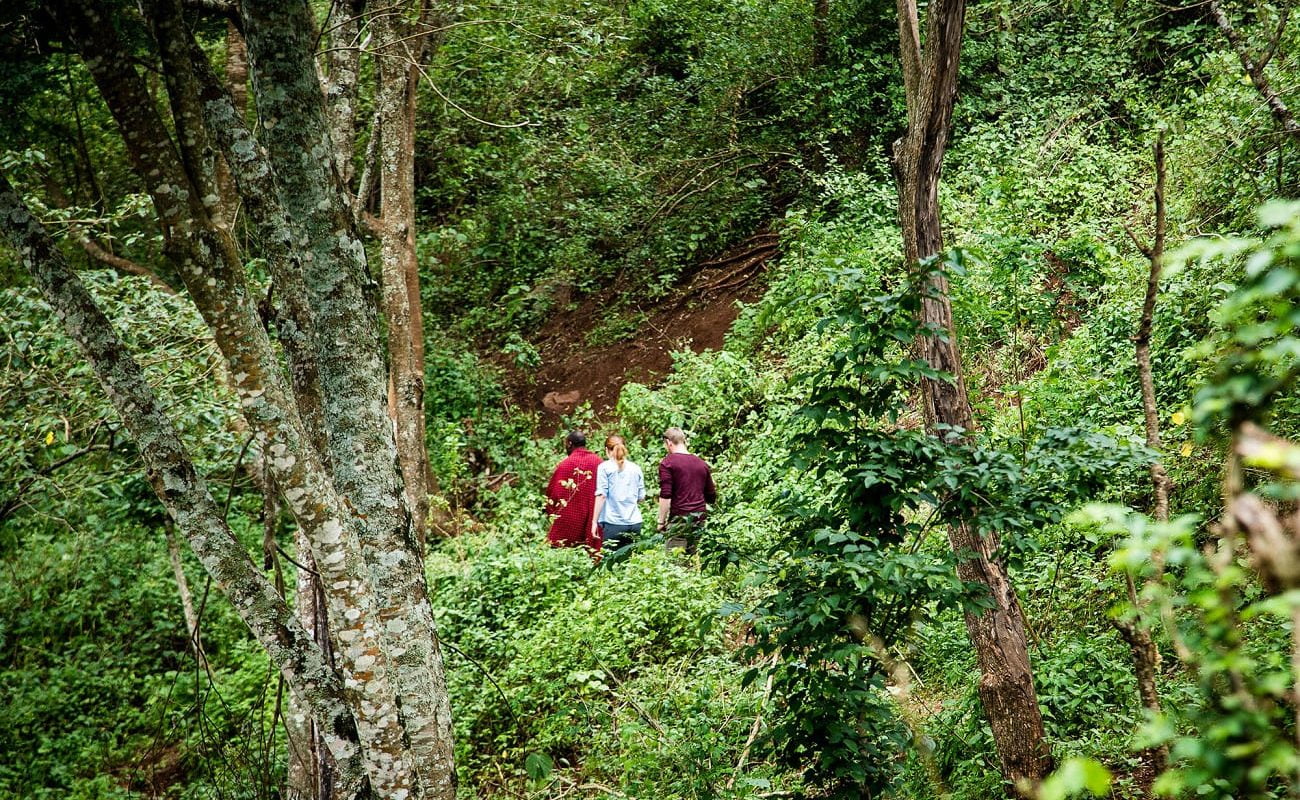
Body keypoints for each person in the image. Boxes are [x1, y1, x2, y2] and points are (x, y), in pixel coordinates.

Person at [657, 427, 716, 554]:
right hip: (699, 519)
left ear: (668, 442)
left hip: (679, 519)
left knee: (675, 562)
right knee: (691, 557)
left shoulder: (667, 463)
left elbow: (666, 495)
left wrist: (661, 521)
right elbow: (711, 495)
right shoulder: (701, 463)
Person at [544, 431, 604, 551]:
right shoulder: (599, 462)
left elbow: (553, 494)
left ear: (570, 444)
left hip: (569, 523)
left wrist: (551, 512)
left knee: (561, 549)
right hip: (594, 519)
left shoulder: (565, 465)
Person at [590, 434, 645, 558]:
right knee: (630, 563)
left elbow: (601, 495)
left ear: (607, 450)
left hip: (612, 523)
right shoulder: (636, 468)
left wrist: (594, 522)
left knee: (609, 562)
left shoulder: (604, 468)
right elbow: (641, 497)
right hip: (634, 523)